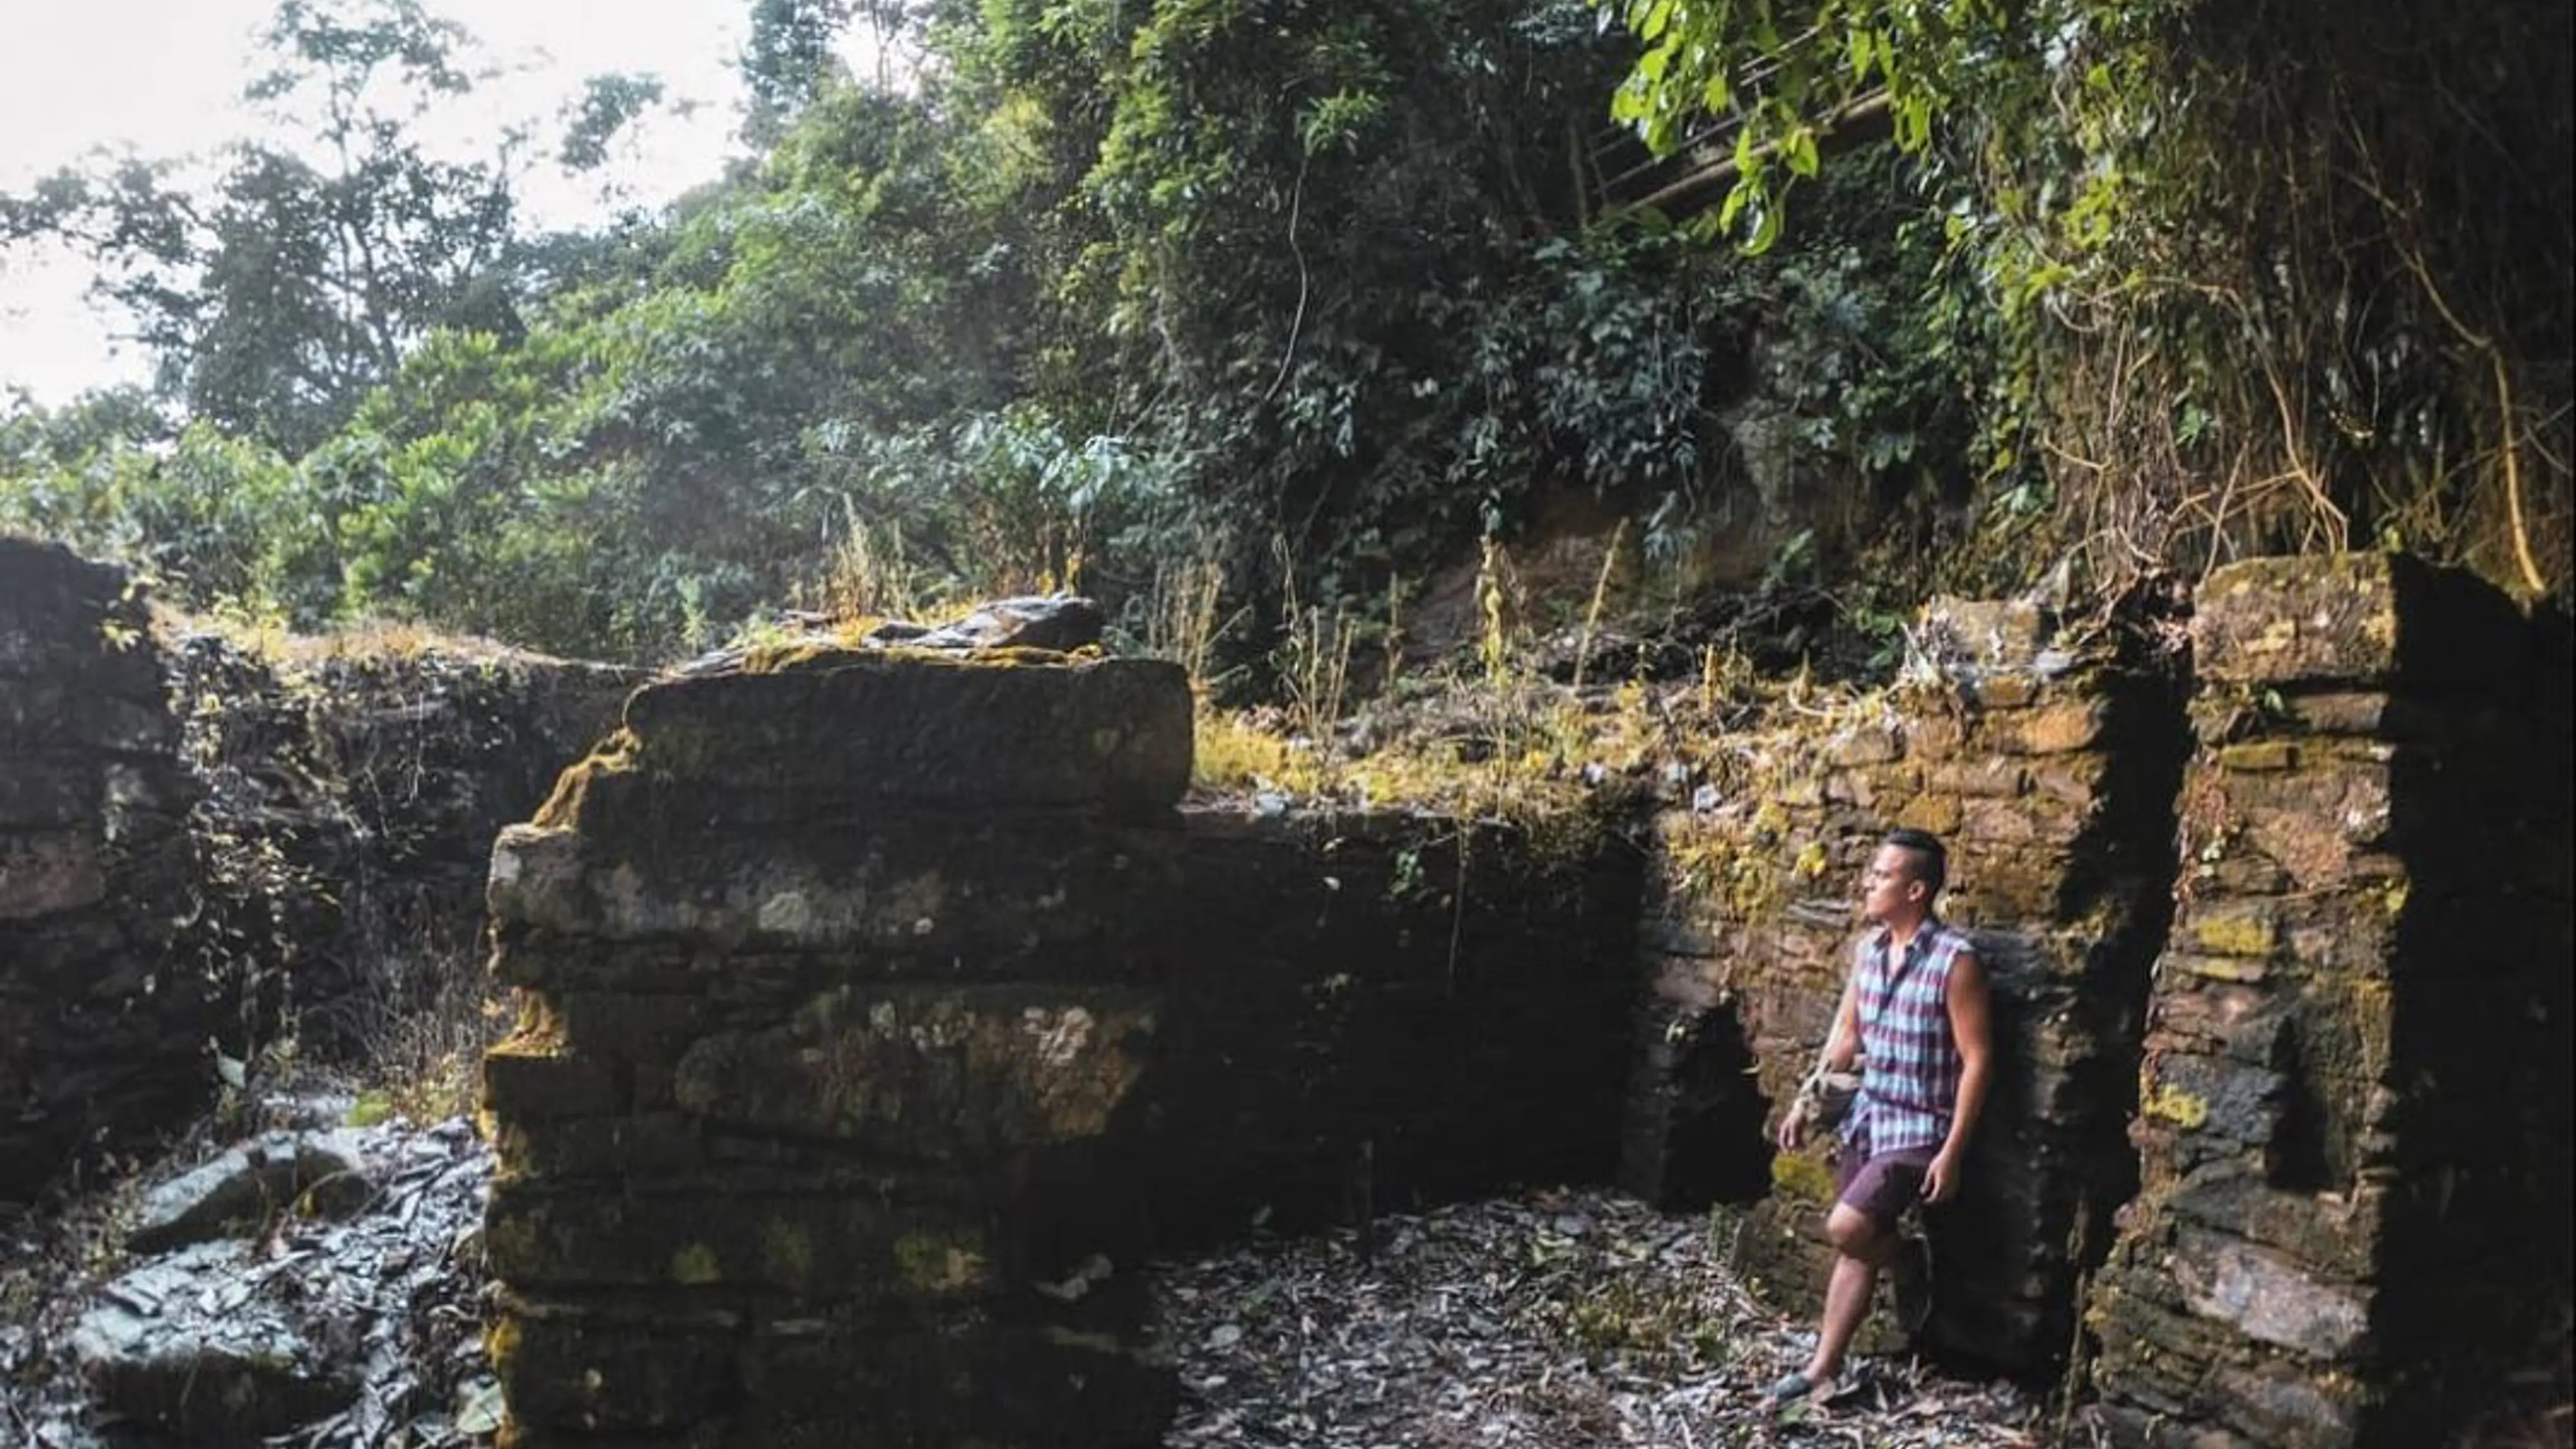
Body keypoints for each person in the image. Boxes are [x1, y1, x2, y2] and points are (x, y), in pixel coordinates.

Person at [1763, 827, 1994, 1406]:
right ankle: (1822, 1369)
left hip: (1922, 1127)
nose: (1869, 883)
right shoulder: (1869, 951)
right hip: (1869, 1119)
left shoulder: (1955, 962)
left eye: (1882, 875)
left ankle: (1906, 1256)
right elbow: (1846, 1037)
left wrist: (1953, 1151)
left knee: (1848, 1228)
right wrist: (1805, 1103)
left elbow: (1978, 1059)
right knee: (1855, 1243)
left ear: (1916, 890)